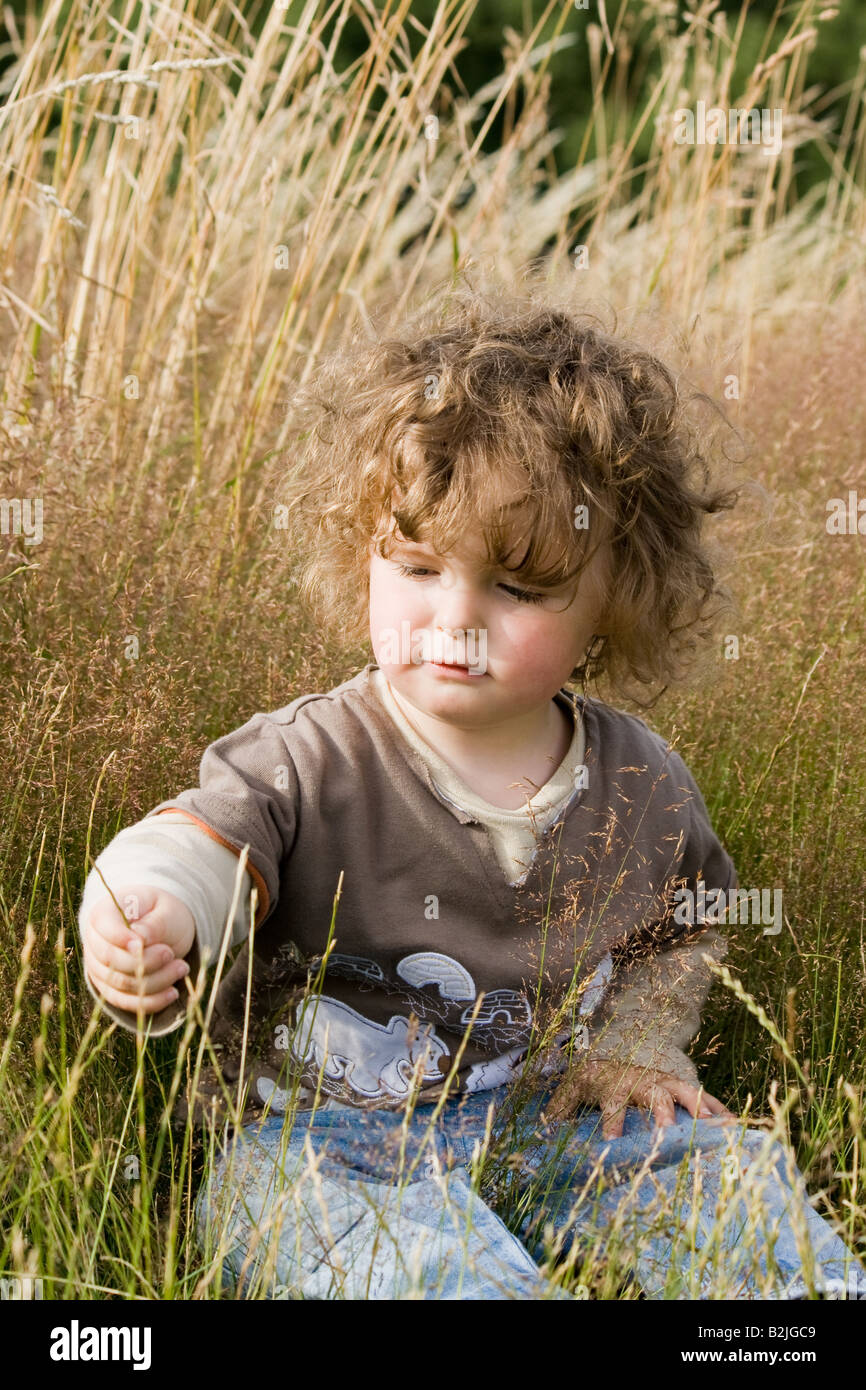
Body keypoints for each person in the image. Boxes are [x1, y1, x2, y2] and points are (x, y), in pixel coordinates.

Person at [77, 285, 866, 1300]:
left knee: (724, 1181)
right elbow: (200, 844)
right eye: (413, 565)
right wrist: (146, 912)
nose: (453, 618)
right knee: (320, 1222)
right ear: (359, 555)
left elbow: (682, 925)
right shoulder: (313, 756)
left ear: (611, 604)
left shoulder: (639, 780)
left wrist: (635, 1042)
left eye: (519, 586)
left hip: (555, 1121)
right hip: (333, 1144)